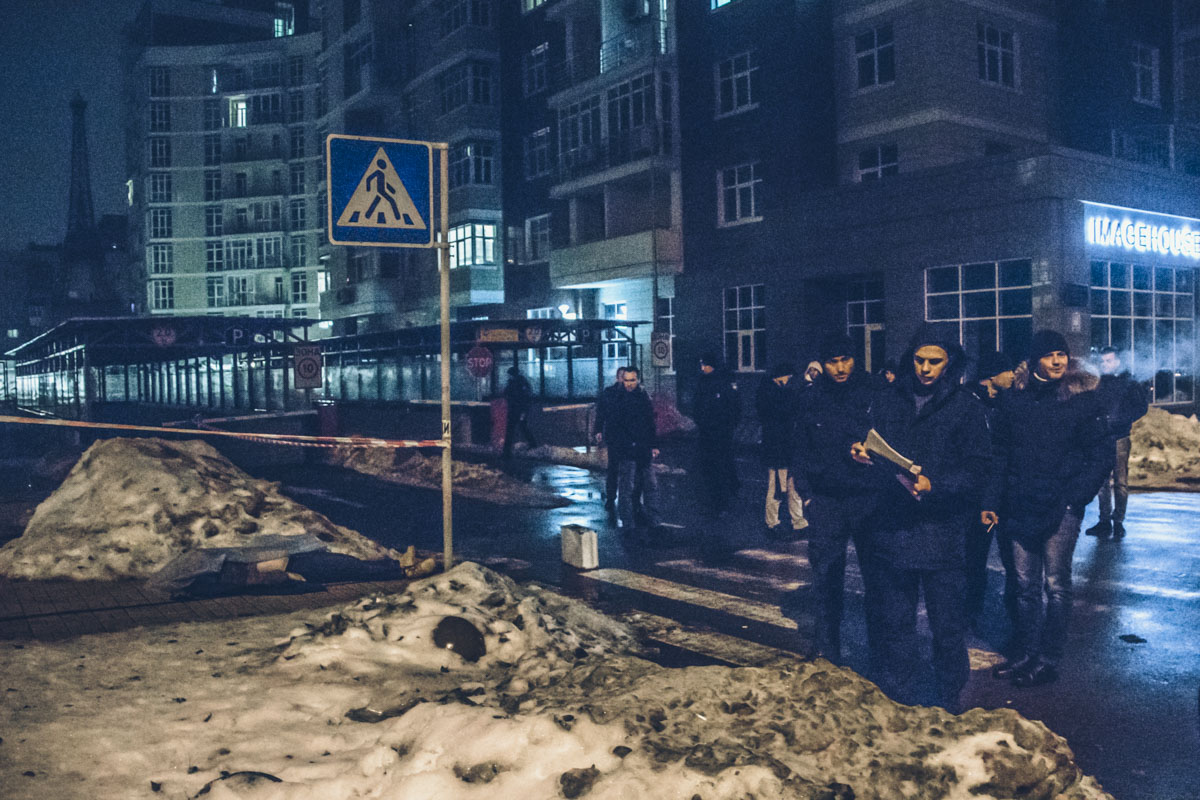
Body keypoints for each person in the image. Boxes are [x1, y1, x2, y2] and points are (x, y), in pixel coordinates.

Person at [851, 326, 991, 713]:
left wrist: (937, 485)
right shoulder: (888, 399)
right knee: (896, 623)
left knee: (947, 626)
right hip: (893, 529)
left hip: (942, 532)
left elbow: (978, 469)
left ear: (950, 363)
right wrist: (863, 454)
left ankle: (949, 699)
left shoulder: (965, 406)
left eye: (935, 362)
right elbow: (874, 443)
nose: (925, 369)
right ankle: (900, 698)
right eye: (919, 360)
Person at [984, 330, 1112, 689]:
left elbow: (1100, 455)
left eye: (1062, 354)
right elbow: (1000, 455)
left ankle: (1048, 658)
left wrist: (1076, 498)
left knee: (1056, 585)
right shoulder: (1014, 401)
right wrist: (992, 501)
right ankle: (1026, 652)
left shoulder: (1082, 400)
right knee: (1025, 585)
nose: (1057, 361)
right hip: (1019, 504)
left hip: (1061, 506)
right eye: (1049, 355)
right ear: (1034, 360)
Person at [791, 333, 882, 667]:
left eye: (846, 360)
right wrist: (807, 496)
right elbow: (799, 448)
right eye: (833, 362)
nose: (840, 368)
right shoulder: (811, 398)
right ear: (823, 363)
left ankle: (880, 652)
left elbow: (891, 441)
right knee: (827, 577)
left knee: (878, 578)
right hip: (826, 500)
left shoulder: (873, 393)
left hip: (867, 498)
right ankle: (825, 647)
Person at [965, 350, 1018, 629]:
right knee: (975, 555)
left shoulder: (1007, 403)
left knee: (1012, 558)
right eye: (1007, 371)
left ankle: (1014, 616)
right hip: (977, 497)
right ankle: (970, 611)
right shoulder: (969, 404)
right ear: (991, 376)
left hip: (1005, 495)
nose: (1012, 375)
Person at [1086, 346, 1149, 539]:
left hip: (1120, 437)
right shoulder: (1098, 382)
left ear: (1118, 362)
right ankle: (1104, 521)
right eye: (1103, 361)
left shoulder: (1129, 382)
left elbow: (1141, 407)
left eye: (1109, 361)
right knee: (1102, 482)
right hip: (1101, 438)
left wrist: (1122, 420)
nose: (1105, 364)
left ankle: (1118, 521)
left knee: (1120, 482)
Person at [605, 367, 662, 534]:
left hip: (642, 449)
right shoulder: (617, 399)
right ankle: (628, 523)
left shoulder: (643, 397)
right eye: (626, 380)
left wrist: (653, 445)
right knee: (627, 488)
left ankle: (653, 520)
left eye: (632, 380)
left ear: (637, 380)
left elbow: (650, 423)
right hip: (627, 449)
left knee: (650, 486)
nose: (629, 384)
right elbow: (614, 426)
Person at [756, 362, 807, 537]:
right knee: (777, 487)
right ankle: (774, 522)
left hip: (783, 448)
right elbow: (784, 414)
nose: (789, 380)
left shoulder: (772, 392)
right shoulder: (774, 394)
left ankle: (795, 522)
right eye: (788, 377)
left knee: (789, 486)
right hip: (779, 449)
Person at [693, 352, 741, 514]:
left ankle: (720, 501)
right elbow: (697, 406)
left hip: (718, 433)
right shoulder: (706, 382)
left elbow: (733, 407)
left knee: (717, 468)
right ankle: (722, 497)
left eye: (704, 364)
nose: (702, 368)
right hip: (712, 432)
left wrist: (727, 425)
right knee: (715, 467)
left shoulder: (719, 383)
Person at [594, 366, 627, 516]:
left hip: (625, 436)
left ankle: (622, 498)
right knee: (614, 468)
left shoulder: (630, 394)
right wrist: (598, 430)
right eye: (622, 377)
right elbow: (601, 414)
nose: (624, 381)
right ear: (617, 377)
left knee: (625, 469)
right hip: (615, 436)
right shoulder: (609, 394)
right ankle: (612, 497)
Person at [501, 367, 538, 459]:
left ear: (513, 375)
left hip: (517, 410)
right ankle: (532, 444)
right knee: (521, 428)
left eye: (509, 375)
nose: (508, 377)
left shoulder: (519, 384)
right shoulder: (520, 383)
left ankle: (506, 452)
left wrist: (523, 411)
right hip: (516, 410)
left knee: (513, 430)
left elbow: (524, 398)